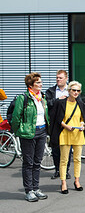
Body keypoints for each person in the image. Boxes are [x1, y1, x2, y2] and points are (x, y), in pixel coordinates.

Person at [11, 72, 49, 202]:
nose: (41, 84)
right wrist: (19, 131)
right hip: (28, 133)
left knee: (37, 162)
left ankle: (36, 188)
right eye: (38, 82)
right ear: (30, 84)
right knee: (28, 162)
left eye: (41, 82)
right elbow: (16, 117)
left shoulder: (41, 97)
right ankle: (29, 190)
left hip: (42, 131)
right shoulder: (24, 98)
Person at [50, 81, 85, 194]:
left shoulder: (80, 104)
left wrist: (82, 125)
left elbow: (84, 118)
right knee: (64, 160)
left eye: (78, 90)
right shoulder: (61, 103)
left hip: (78, 134)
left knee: (77, 159)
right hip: (65, 133)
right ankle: (63, 183)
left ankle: (77, 181)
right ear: (69, 91)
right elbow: (57, 118)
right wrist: (65, 126)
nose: (76, 92)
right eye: (74, 90)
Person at [45, 70, 72, 179]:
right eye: (57, 78)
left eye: (60, 78)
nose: (58, 80)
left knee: (68, 148)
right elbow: (47, 103)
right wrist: (57, 100)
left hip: (68, 122)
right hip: (55, 123)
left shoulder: (71, 90)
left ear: (66, 78)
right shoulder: (50, 91)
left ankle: (66, 170)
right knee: (55, 148)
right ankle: (57, 169)